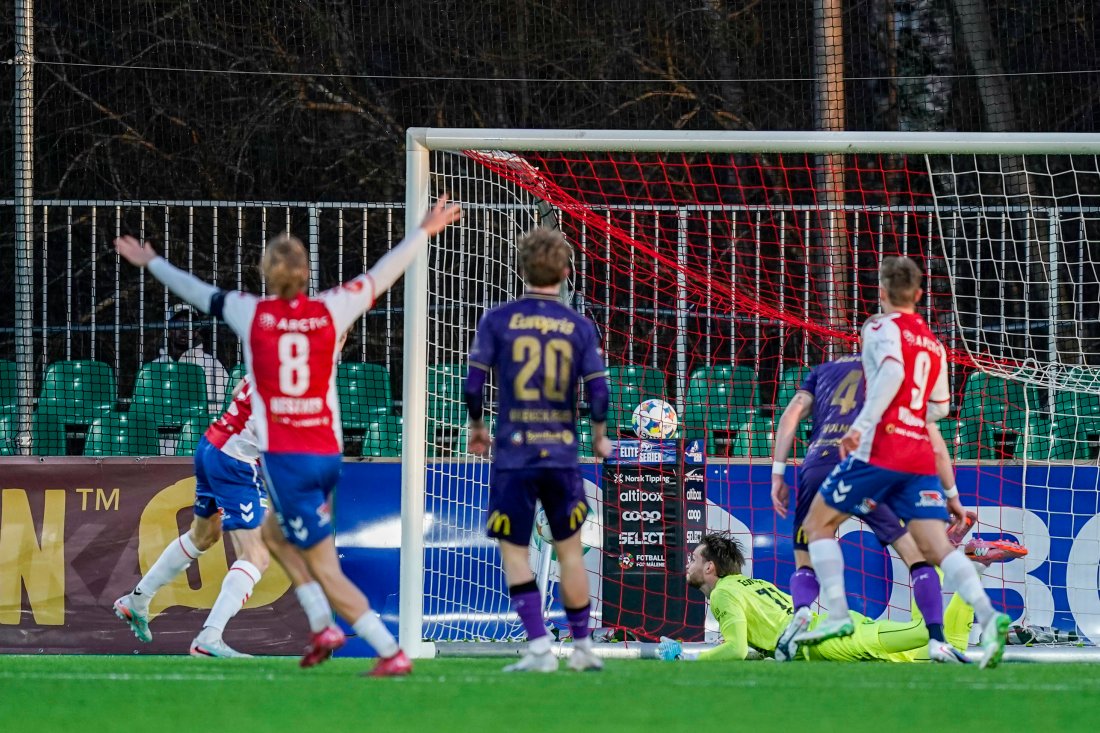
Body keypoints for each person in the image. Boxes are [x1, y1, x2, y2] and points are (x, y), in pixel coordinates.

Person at [114, 195, 462, 676]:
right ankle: (285, 631)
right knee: (263, 542)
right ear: (306, 277)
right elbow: (384, 272)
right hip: (297, 455)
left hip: (259, 454)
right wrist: (423, 231)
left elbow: (197, 292)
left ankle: (344, 633)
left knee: (268, 544)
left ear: (264, 274)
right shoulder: (330, 314)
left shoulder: (252, 315)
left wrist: (151, 261)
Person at [791, 256, 1010, 668]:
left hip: (880, 448)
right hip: (918, 453)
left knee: (817, 524)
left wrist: (864, 425)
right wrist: (950, 492)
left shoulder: (878, 326)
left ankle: (837, 614)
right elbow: (941, 408)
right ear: (919, 294)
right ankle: (988, 614)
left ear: (881, 291)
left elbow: (891, 371)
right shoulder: (934, 343)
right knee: (936, 548)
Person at [769, 354, 1025, 661]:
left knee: (807, 554)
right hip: (871, 467)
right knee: (917, 557)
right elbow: (935, 444)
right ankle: (937, 638)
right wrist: (951, 495)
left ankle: (805, 611)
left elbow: (790, 415)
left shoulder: (823, 371)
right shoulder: (896, 378)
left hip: (819, 464)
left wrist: (777, 473)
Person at [465, 227, 611, 673]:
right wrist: (600, 435)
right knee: (569, 551)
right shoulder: (579, 326)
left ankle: (539, 648)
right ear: (566, 273)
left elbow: (474, 385)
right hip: (562, 454)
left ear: (522, 269)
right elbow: (599, 391)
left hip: (514, 454)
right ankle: (584, 648)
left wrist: (477, 426)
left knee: (514, 552)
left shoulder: (498, 319)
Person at [658, 534, 1011, 663]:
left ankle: (934, 553)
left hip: (831, 643)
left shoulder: (723, 596)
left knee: (924, 631)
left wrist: (685, 659)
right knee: (950, 647)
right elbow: (755, 643)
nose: (688, 563)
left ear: (710, 569)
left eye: (694, 558)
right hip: (834, 632)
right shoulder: (749, 584)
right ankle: (974, 569)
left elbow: (735, 650)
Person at [113, 376, 271, 657]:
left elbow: (236, 390)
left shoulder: (272, 355)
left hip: (212, 445)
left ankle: (137, 600)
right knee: (257, 555)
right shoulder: (306, 376)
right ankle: (210, 637)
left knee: (204, 535)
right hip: (238, 460)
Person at [156, 303, 230, 414]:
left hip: (201, 428)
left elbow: (220, 410)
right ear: (169, 330)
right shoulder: (155, 366)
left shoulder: (213, 365)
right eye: (179, 324)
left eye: (190, 324)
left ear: (196, 331)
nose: (185, 329)